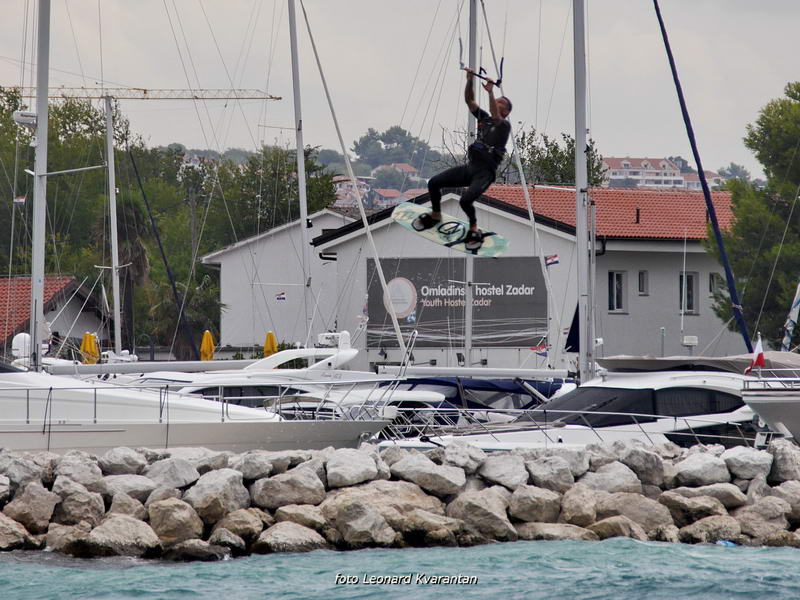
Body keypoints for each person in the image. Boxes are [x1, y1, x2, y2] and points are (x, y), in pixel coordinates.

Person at [413, 68, 512, 250]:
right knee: (434, 183)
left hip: (484, 174)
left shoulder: (504, 125)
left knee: (465, 201)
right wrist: (469, 80)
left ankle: (474, 228)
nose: (496, 103)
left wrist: (491, 93)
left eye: (500, 103)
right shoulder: (484, 118)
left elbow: (496, 115)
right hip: (470, 168)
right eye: (496, 100)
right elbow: (469, 101)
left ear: (506, 112)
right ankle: (436, 215)